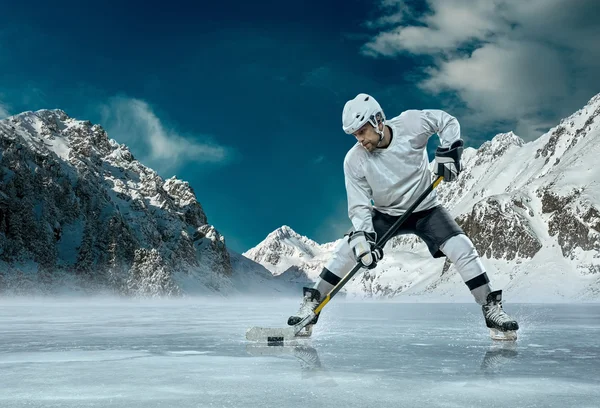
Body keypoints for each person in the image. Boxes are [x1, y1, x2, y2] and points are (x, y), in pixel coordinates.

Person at [287, 93, 519, 339]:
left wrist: (449, 150)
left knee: (461, 247)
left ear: (378, 120)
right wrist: (364, 241)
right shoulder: (354, 161)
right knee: (347, 249)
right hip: (385, 215)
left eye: (363, 131)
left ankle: (491, 309)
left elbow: (447, 121)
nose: (360, 140)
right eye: (355, 135)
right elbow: (359, 206)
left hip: (427, 209)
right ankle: (311, 306)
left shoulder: (410, 124)